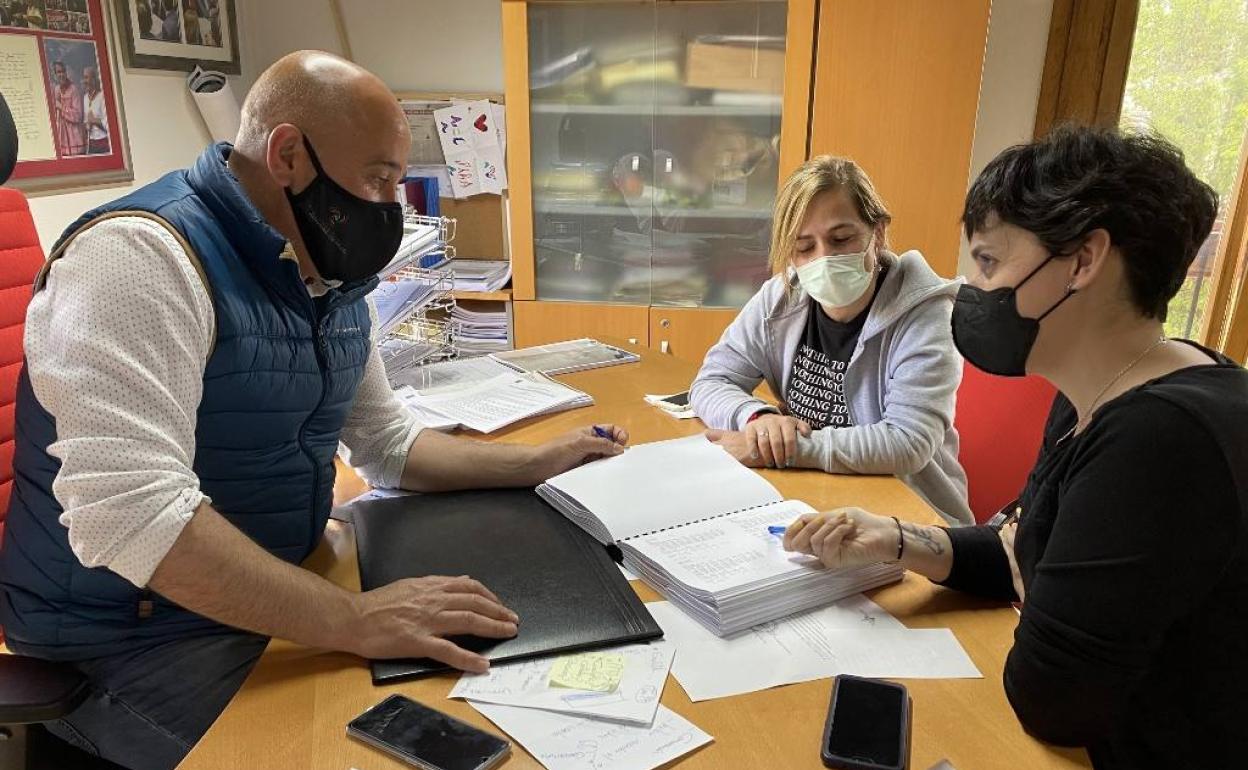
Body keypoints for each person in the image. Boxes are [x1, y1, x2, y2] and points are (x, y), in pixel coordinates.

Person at [0, 51, 628, 770]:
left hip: (268, 590)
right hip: (129, 643)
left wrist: (537, 463)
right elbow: (133, 516)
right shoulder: (140, 259)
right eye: (378, 179)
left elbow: (384, 440)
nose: (391, 207)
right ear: (290, 155)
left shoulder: (325, 270)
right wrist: (354, 619)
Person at [782, 126, 1248, 769]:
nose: (971, 286)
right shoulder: (1102, 389)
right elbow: (1024, 549)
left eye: (990, 262)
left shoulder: (1159, 442)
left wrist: (1028, 574)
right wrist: (896, 539)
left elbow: (1051, 699)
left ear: (1083, 261)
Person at [692, 156, 972, 525]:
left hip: (912, 518)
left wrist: (782, 449)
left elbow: (908, 443)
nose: (824, 258)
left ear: (878, 233)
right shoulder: (779, 299)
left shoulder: (926, 313)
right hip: (815, 496)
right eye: (804, 247)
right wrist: (757, 417)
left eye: (841, 239)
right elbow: (711, 381)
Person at [50, 59, 84, 156]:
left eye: (63, 71)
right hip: (61, 138)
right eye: (58, 72)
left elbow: (78, 116)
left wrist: (61, 107)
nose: (61, 74)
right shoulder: (56, 89)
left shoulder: (74, 89)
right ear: (55, 75)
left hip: (74, 139)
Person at [82, 65, 108, 155]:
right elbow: (86, 119)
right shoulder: (85, 98)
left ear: (93, 80)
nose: (84, 81)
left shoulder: (102, 97)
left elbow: (109, 125)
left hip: (104, 143)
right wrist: (87, 124)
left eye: (86, 78)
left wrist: (94, 120)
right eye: (83, 78)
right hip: (91, 143)